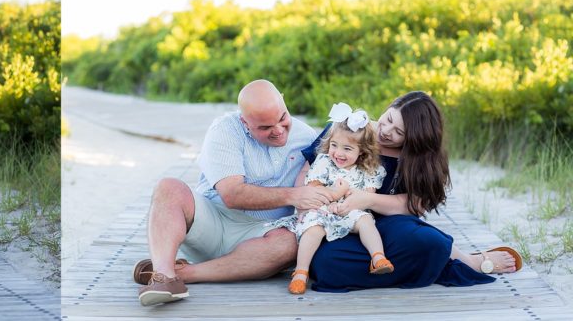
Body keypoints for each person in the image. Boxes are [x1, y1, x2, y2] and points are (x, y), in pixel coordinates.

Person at [134, 79, 328, 306]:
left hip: (263, 235)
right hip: (213, 222)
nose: (278, 131)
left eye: (282, 118)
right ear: (245, 122)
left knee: (295, 241)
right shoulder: (224, 129)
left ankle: (184, 274)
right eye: (265, 128)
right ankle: (164, 277)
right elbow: (232, 195)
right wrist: (293, 195)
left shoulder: (307, 136)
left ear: (283, 100)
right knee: (168, 187)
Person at [306, 91, 523, 292]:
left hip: (390, 226)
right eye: (389, 119)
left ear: (414, 139)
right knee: (327, 265)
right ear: (389, 107)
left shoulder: (418, 158)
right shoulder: (349, 129)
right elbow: (306, 178)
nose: (386, 132)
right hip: (336, 222)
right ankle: (435, 266)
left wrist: (367, 200)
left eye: (399, 132)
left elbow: (414, 205)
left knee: (426, 242)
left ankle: (469, 261)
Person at [267, 103, 391, 295]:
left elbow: (369, 195)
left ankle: (378, 258)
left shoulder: (369, 170)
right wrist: (332, 196)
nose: (338, 153)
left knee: (366, 221)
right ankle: (301, 272)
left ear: (362, 152)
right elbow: (313, 187)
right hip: (323, 209)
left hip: (352, 209)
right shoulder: (325, 162)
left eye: (347, 149)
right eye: (334, 145)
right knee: (313, 229)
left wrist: (349, 204)